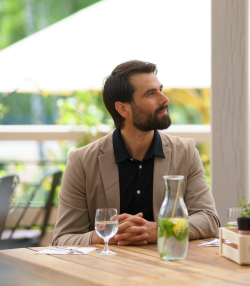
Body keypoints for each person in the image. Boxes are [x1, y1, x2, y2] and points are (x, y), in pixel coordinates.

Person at [53, 60, 220, 246]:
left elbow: (209, 219)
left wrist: (160, 230)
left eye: (161, 90)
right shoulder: (81, 162)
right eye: (151, 94)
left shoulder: (185, 152)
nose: (164, 99)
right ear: (123, 109)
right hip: (105, 272)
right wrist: (110, 234)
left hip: (168, 266)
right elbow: (63, 239)